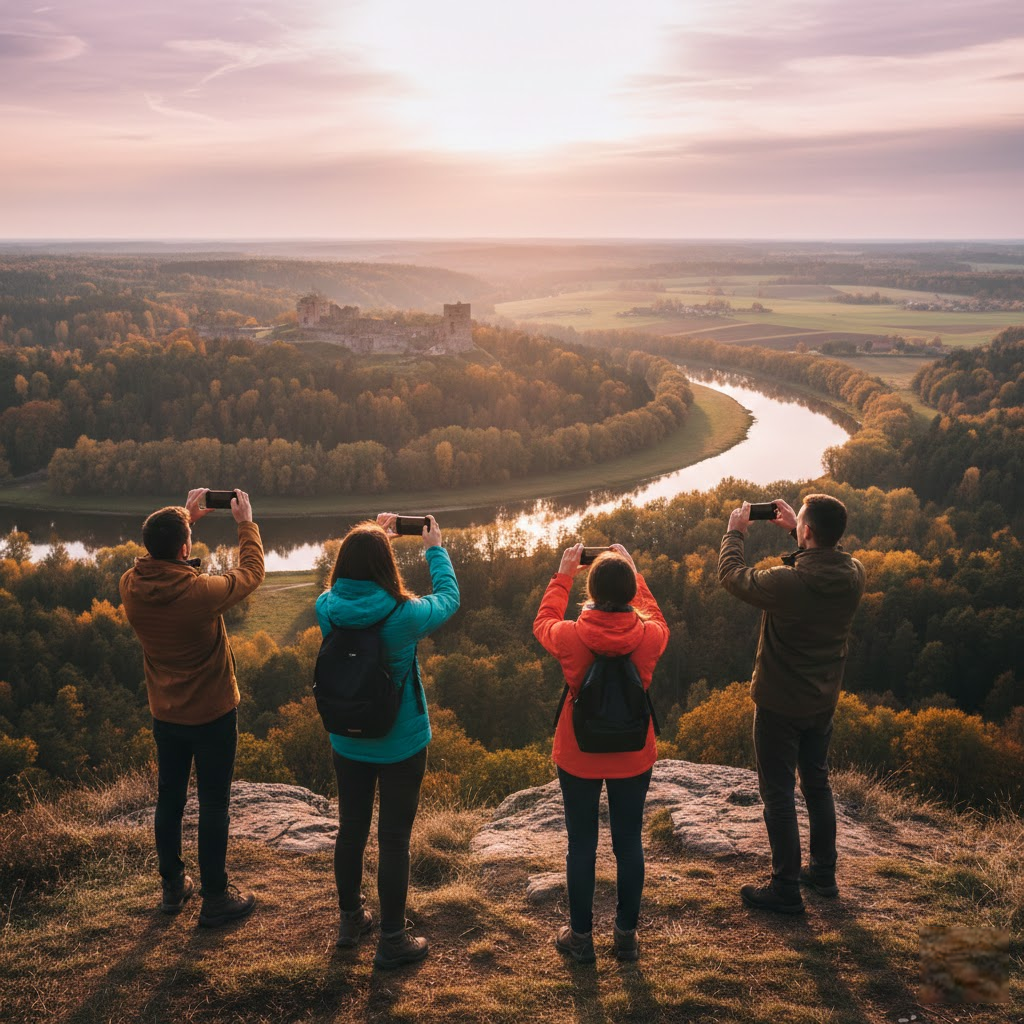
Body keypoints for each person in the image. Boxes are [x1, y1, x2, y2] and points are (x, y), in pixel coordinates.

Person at [316, 513, 459, 969]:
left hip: (347, 740)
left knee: (351, 830)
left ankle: (350, 921)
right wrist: (434, 549)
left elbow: (357, 592)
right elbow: (449, 598)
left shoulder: (326, 607)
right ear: (384, 566)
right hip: (400, 743)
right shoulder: (404, 615)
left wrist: (376, 543)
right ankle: (392, 940)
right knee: (394, 839)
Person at [119, 488, 264, 927]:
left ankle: (172, 886)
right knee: (214, 803)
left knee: (170, 799)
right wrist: (245, 524)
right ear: (185, 549)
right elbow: (251, 573)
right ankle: (215, 898)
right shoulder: (199, 592)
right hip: (213, 714)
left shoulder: (130, 586)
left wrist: (184, 520)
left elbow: (163, 555)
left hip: (166, 713)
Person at [718, 494, 865, 914]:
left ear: (808, 530)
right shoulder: (855, 574)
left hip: (780, 703)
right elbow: (828, 559)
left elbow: (732, 576)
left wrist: (735, 534)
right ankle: (823, 873)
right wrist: (798, 534)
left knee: (778, 794)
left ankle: (785, 887)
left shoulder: (789, 583)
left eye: (800, 521)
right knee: (817, 784)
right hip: (822, 701)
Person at [533, 543, 669, 963]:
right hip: (632, 753)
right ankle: (625, 937)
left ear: (590, 591)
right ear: (629, 592)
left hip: (580, 753)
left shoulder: (570, 636)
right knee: (629, 842)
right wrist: (636, 572)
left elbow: (543, 621)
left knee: (581, 845)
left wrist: (563, 575)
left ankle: (581, 939)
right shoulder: (649, 637)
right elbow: (657, 618)